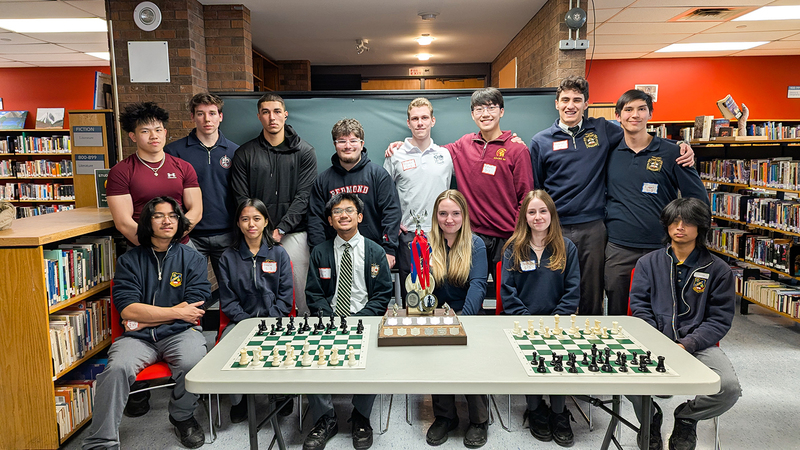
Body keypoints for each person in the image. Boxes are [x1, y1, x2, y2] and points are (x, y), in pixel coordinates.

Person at [529, 76, 694, 315]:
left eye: (577, 100)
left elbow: (639, 135)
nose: (570, 105)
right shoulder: (541, 141)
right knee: (552, 282)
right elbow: (536, 187)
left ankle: (590, 337)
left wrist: (682, 147)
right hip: (556, 226)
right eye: (565, 100)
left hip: (594, 227)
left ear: (586, 104)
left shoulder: (603, 130)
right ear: (556, 103)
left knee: (592, 289)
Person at [82, 196, 210, 449]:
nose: (167, 221)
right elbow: (128, 309)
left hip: (180, 333)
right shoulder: (129, 261)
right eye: (159, 215)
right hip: (138, 339)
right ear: (147, 221)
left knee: (193, 362)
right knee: (116, 369)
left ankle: (182, 417)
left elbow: (194, 308)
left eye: (173, 216)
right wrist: (173, 311)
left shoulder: (192, 258)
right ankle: (101, 441)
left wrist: (144, 318)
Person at [628, 198, 741, 450]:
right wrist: (658, 342)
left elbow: (719, 319)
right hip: (653, 342)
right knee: (619, 376)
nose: (680, 227)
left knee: (729, 388)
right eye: (674, 221)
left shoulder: (718, 270)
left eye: (688, 222)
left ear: (701, 227)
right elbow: (640, 308)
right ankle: (650, 419)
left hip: (698, 344)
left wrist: (687, 344)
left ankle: (687, 417)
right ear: (666, 225)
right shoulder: (647, 263)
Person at [387, 88, 533, 273]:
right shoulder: (463, 145)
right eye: (479, 109)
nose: (485, 114)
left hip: (506, 238)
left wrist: (519, 235)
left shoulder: (517, 149)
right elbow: (428, 151)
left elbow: (526, 198)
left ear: (501, 111)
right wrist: (402, 146)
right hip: (470, 238)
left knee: (505, 295)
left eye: (491, 108)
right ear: (472, 114)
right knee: (471, 291)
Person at [604, 89, 709, 315]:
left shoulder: (672, 152)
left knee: (660, 307)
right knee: (617, 307)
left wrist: (694, 240)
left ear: (650, 114)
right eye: (628, 110)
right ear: (618, 116)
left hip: (660, 246)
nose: (635, 115)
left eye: (641, 109)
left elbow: (698, 199)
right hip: (618, 246)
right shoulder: (609, 152)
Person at [304, 193, 393, 450]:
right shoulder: (320, 252)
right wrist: (331, 318)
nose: (343, 215)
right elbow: (314, 293)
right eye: (337, 212)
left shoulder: (375, 251)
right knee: (310, 355)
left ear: (360, 217)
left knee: (375, 357)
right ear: (330, 221)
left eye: (349, 210)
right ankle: (325, 418)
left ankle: (360, 416)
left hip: (365, 319)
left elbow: (382, 295)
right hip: (330, 319)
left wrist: (358, 319)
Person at [500, 190, 580, 448]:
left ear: (551, 215)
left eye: (543, 211)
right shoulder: (513, 248)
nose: (537, 217)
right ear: (524, 216)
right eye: (532, 212)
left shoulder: (567, 248)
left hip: (558, 322)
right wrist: (527, 320)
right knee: (531, 358)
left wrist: (556, 320)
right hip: (522, 321)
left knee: (558, 358)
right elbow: (507, 291)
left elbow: (573, 290)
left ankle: (559, 413)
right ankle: (535, 409)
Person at [231, 93, 316, 315]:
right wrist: (261, 230)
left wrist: (281, 229)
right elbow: (242, 198)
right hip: (255, 235)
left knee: (300, 292)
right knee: (260, 290)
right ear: (259, 116)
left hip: (293, 233)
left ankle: (304, 329)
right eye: (266, 112)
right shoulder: (244, 153)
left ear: (285, 115)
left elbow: (304, 196)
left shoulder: (304, 152)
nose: (272, 117)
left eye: (277, 111)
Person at [218, 198, 293, 423]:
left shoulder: (279, 254)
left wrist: (270, 319)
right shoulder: (227, 258)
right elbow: (228, 301)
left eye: (256, 219)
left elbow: (286, 297)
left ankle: (281, 395)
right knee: (229, 347)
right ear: (239, 224)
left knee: (285, 345)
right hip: (240, 321)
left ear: (265, 222)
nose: (251, 224)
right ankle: (240, 399)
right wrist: (247, 322)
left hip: (275, 319)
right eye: (245, 219)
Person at [424, 190, 489, 448]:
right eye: (443, 213)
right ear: (435, 216)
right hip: (438, 315)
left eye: (455, 213)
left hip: (468, 313)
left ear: (464, 215)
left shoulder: (476, 244)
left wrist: (463, 321)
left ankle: (479, 420)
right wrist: (436, 318)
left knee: (470, 362)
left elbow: (477, 285)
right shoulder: (426, 243)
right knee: (437, 361)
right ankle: (445, 416)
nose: (449, 219)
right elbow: (421, 288)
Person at [165, 93, 239, 306]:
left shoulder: (235, 151)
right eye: (201, 114)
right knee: (187, 290)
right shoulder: (174, 152)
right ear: (192, 117)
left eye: (212, 113)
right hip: (189, 236)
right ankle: (190, 333)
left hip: (226, 234)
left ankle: (227, 333)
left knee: (230, 290)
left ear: (221, 117)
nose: (207, 119)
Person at [383, 98, 453, 302]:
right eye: (415, 118)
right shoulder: (395, 154)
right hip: (409, 236)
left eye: (424, 118)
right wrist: (393, 225)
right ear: (408, 123)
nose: (420, 123)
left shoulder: (446, 155)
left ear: (433, 120)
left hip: (441, 235)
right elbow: (385, 196)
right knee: (411, 293)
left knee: (440, 290)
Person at [308, 118, 401, 268]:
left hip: (374, 253)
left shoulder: (378, 175)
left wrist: (389, 249)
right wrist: (318, 252)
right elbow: (315, 219)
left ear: (362, 144)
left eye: (353, 141)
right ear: (335, 145)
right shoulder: (323, 181)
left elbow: (391, 212)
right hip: (335, 254)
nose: (348, 146)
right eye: (342, 141)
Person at [107, 102, 202, 246]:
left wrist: (171, 239)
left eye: (158, 130)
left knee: (197, 265)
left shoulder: (184, 167)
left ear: (164, 133)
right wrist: (155, 245)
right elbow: (123, 222)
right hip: (140, 245)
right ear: (133, 136)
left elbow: (196, 211)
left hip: (180, 243)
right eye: (145, 131)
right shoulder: (120, 171)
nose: (153, 136)